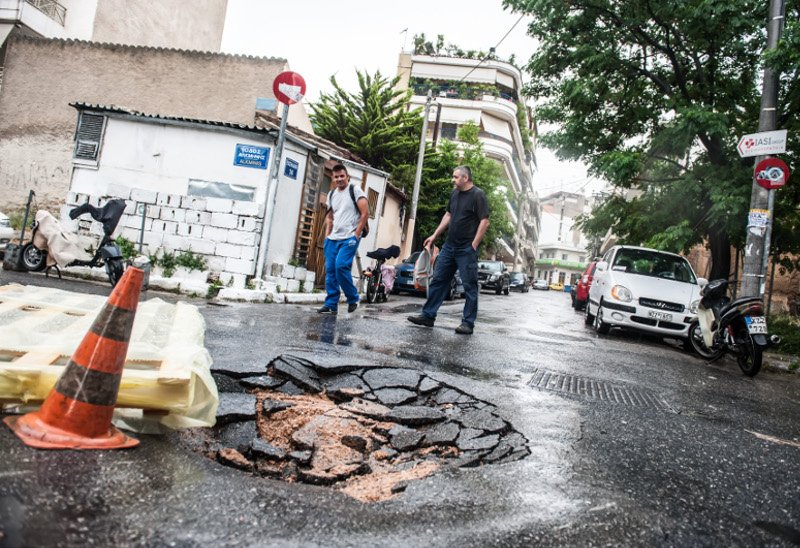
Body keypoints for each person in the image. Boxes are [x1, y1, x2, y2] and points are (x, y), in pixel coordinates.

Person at [408, 165, 490, 334]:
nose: (452, 180)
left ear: (465, 178)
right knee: (438, 280)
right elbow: (448, 215)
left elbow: (484, 221)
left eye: (455, 177)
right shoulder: (454, 194)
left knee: (469, 286)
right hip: (449, 246)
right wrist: (434, 235)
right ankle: (428, 315)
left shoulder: (478, 195)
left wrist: (474, 244)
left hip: (466, 248)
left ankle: (468, 323)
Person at [317, 163, 369, 315]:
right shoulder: (332, 194)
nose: (339, 179)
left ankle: (352, 298)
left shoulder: (355, 190)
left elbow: (365, 213)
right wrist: (327, 236)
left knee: (341, 267)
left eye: (342, 176)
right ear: (333, 178)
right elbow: (330, 216)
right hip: (333, 238)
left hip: (350, 236)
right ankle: (331, 304)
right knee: (331, 271)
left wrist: (356, 235)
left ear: (348, 177)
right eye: (336, 176)